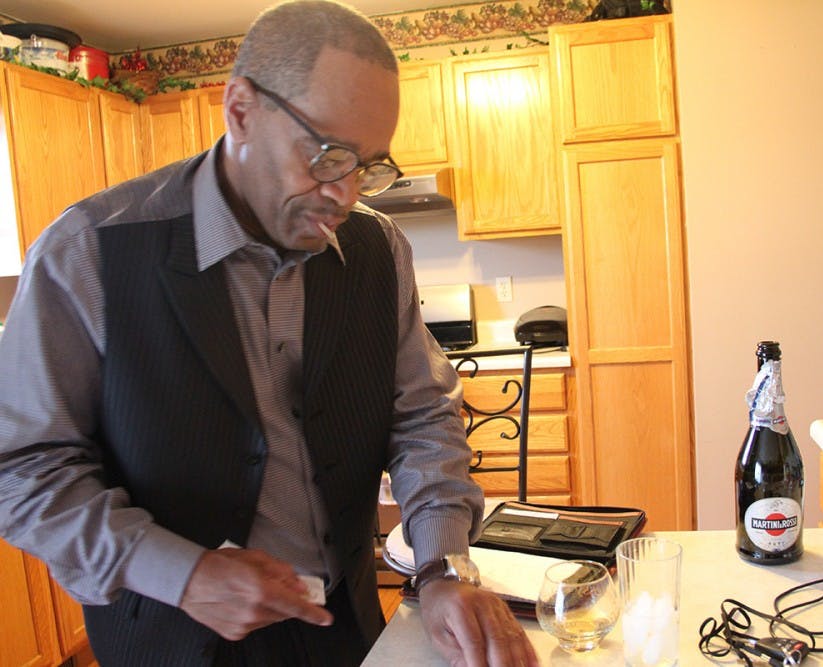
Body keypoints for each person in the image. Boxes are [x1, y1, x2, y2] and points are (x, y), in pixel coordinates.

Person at [0, 2, 538, 665]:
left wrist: (444, 568)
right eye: (326, 154)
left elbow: (423, 416)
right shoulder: (87, 253)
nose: (344, 193)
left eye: (368, 164)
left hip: (345, 624)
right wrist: (183, 572)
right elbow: (23, 470)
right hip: (167, 637)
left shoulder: (377, 247)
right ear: (241, 110)